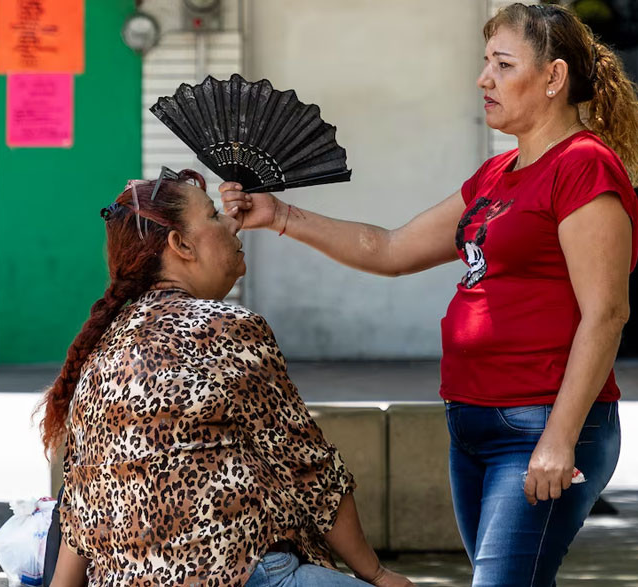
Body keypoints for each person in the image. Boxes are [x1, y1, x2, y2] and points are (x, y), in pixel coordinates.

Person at [221, 4, 638, 586]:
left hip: (540, 422)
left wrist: (560, 437)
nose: (483, 79)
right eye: (484, 63)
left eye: (502, 64)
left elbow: (607, 313)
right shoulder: (496, 176)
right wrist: (280, 215)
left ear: (553, 78)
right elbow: (390, 249)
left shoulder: (582, 168)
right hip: (471, 423)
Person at [38, 167, 414, 587]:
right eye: (215, 215)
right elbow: (311, 472)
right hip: (243, 574)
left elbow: (81, 508)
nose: (234, 224)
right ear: (181, 245)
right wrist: (376, 573)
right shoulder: (224, 328)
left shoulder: (102, 347)